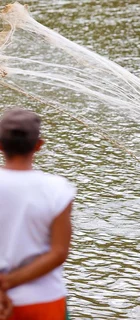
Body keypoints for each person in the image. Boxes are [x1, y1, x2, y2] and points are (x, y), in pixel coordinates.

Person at [0, 108, 76, 320]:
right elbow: (59, 252)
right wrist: (10, 282)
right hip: (44, 301)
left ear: (0, 144)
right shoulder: (58, 189)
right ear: (38, 145)